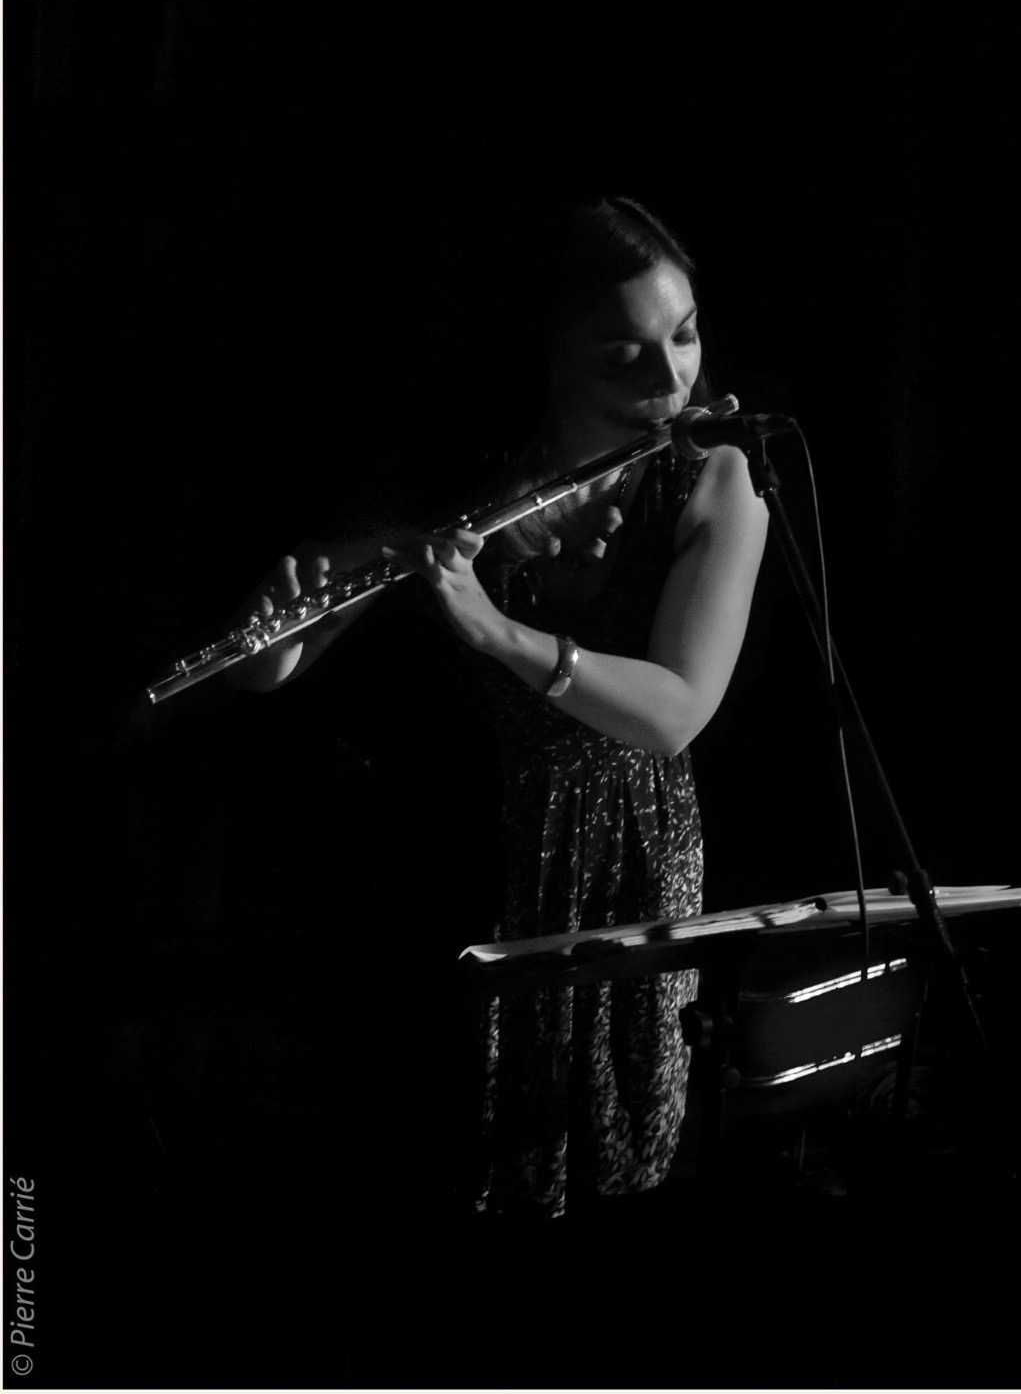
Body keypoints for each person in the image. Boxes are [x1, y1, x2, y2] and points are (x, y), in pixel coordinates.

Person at [234, 196, 769, 1219]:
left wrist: (495, 631)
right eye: (622, 355)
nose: (669, 380)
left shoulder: (717, 482)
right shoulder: (467, 487)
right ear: (551, 358)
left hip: (627, 870)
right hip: (466, 862)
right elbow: (277, 673)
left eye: (685, 335)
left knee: (604, 1174)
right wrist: (273, 645)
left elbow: (674, 712)